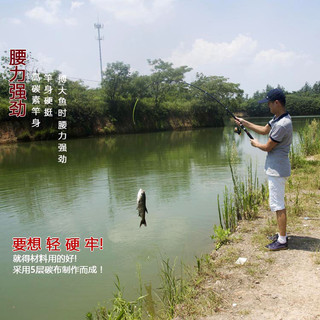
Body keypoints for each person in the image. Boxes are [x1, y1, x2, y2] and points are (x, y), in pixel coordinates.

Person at [235, 88, 292, 251]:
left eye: (269, 103)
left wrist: (256, 144)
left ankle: (282, 241)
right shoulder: (278, 118)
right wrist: (244, 122)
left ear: (277, 103)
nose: (268, 106)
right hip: (275, 168)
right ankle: (281, 234)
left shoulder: (283, 124)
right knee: (276, 202)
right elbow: (264, 130)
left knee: (278, 204)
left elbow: (268, 147)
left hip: (277, 170)